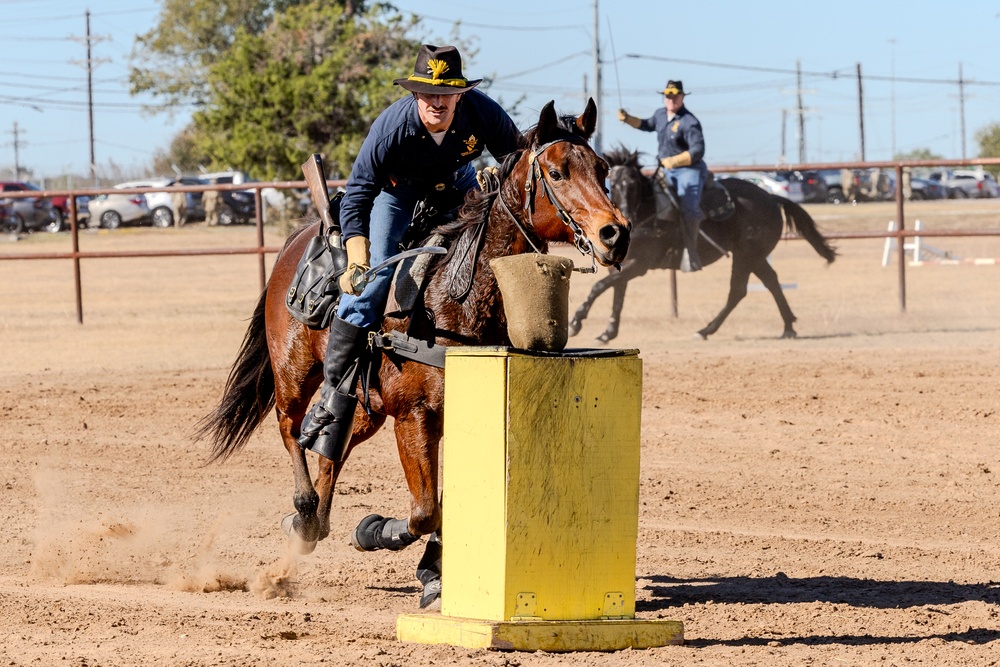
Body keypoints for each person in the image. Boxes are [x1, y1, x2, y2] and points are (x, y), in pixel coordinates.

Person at [298, 44, 523, 461]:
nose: (438, 102)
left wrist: (501, 173)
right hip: (396, 196)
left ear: (461, 94)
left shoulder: (484, 113)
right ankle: (331, 398)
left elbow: (517, 157)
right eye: (428, 94)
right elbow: (358, 195)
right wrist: (359, 257)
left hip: (459, 189)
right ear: (415, 95)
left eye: (447, 93)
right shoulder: (390, 128)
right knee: (374, 283)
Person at [618, 80, 707, 271]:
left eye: (675, 95)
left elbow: (698, 150)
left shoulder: (690, 122)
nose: (671, 99)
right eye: (668, 95)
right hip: (665, 170)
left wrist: (674, 161)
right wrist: (628, 119)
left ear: (682, 97)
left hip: (688, 171)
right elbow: (646, 125)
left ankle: (691, 252)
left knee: (688, 206)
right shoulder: (660, 115)